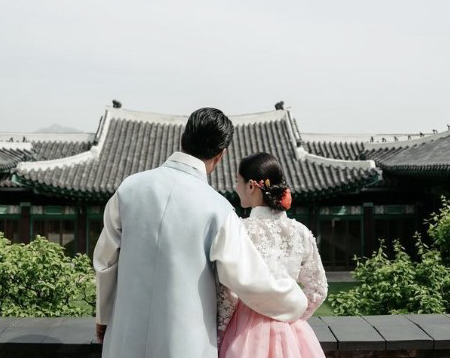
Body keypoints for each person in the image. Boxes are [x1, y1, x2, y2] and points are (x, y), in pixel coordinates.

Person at [93, 108, 308, 358]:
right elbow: (249, 279)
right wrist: (295, 300)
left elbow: (105, 261)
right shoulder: (217, 208)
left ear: (183, 138)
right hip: (186, 344)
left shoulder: (128, 189)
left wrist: (104, 316)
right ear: (221, 154)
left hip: (124, 338)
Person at [218, 152, 328, 358]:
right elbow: (318, 289)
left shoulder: (240, 231)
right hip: (292, 331)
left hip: (246, 331)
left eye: (237, 181)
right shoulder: (301, 232)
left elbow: (228, 293)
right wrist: (291, 314)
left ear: (251, 186)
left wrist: (220, 333)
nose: (235, 187)